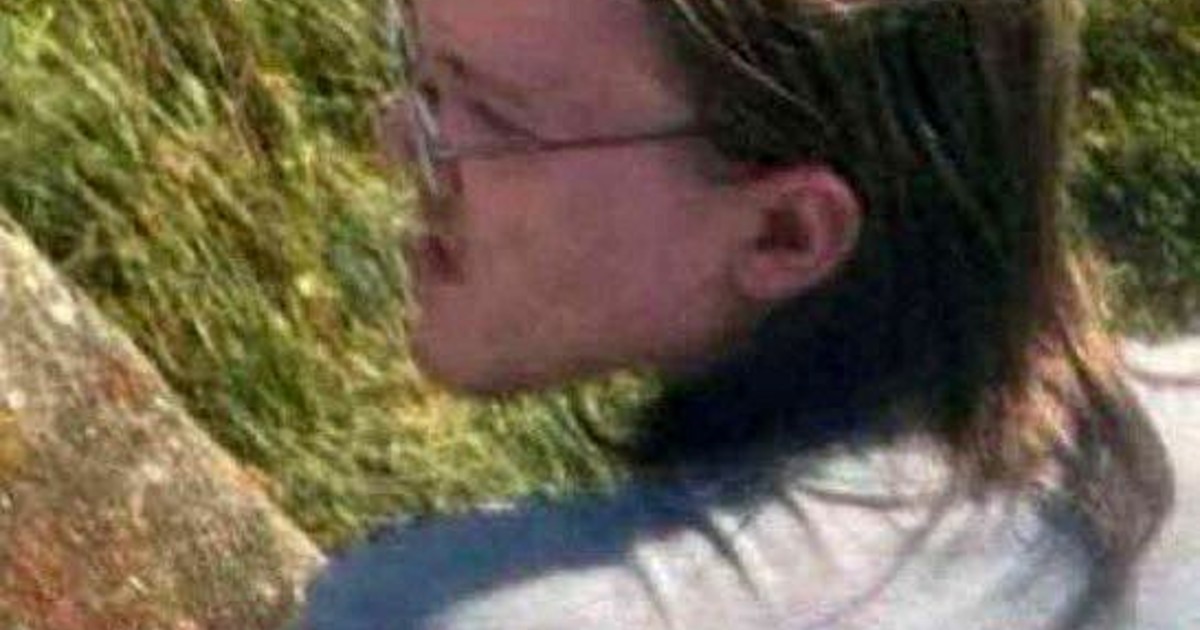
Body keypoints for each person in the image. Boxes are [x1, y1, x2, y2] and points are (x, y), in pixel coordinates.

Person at [301, 0, 1177, 627]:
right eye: (418, 66)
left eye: (489, 111)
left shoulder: (446, 610)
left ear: (786, 233)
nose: (397, 140)